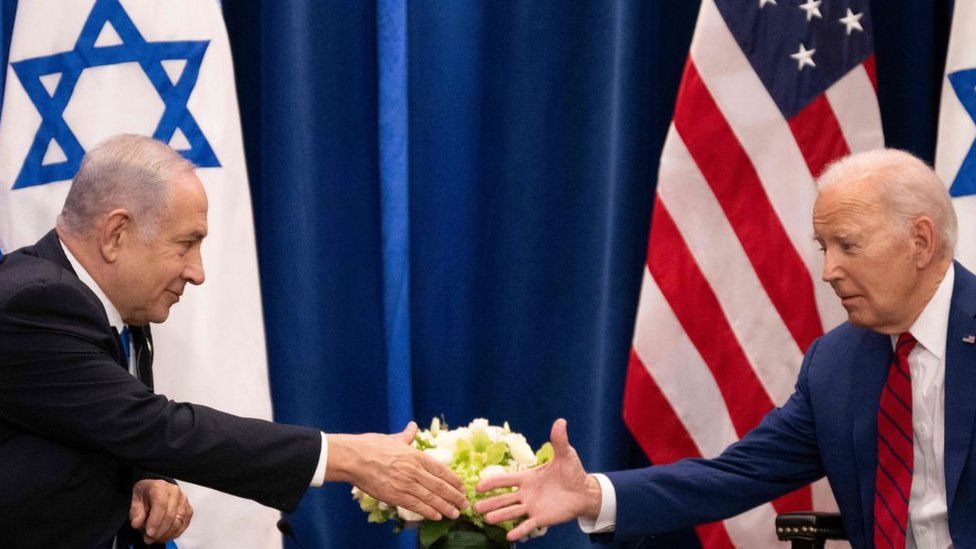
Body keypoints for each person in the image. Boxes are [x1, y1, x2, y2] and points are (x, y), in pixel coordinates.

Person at [476, 149, 976, 548]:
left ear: (921, 241)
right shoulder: (837, 364)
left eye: (848, 245)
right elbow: (733, 475)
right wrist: (591, 495)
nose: (829, 271)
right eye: (824, 248)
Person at [0, 134, 468, 548]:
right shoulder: (35, 303)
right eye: (185, 244)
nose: (197, 272)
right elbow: (153, 425)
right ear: (116, 234)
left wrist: (144, 476)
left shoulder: (111, 305)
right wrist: (347, 456)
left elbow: (102, 422)